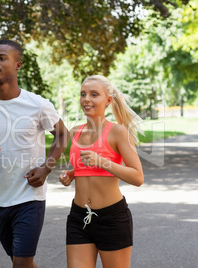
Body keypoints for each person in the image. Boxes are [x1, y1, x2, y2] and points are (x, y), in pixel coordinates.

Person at [0, 39, 69, 268]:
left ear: (18, 65)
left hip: (30, 196)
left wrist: (46, 167)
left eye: (1, 58)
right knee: (19, 261)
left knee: (22, 262)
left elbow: (62, 135)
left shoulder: (37, 104)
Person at [59, 75, 144, 268]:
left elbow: (138, 177)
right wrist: (72, 174)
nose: (86, 99)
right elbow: (84, 169)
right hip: (78, 217)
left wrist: (102, 162)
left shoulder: (118, 132)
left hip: (112, 219)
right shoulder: (75, 132)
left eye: (94, 94)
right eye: (83, 94)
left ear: (108, 100)